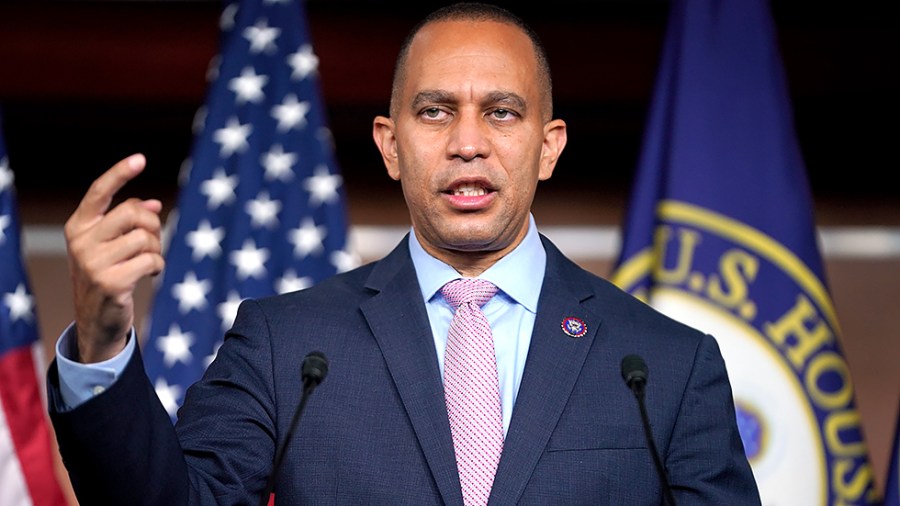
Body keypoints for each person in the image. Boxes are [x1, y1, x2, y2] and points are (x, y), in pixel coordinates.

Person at [47, 2, 761, 505]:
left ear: (549, 146)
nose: (468, 142)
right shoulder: (286, 345)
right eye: (435, 111)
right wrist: (103, 339)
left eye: (503, 112)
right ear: (391, 145)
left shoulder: (664, 366)